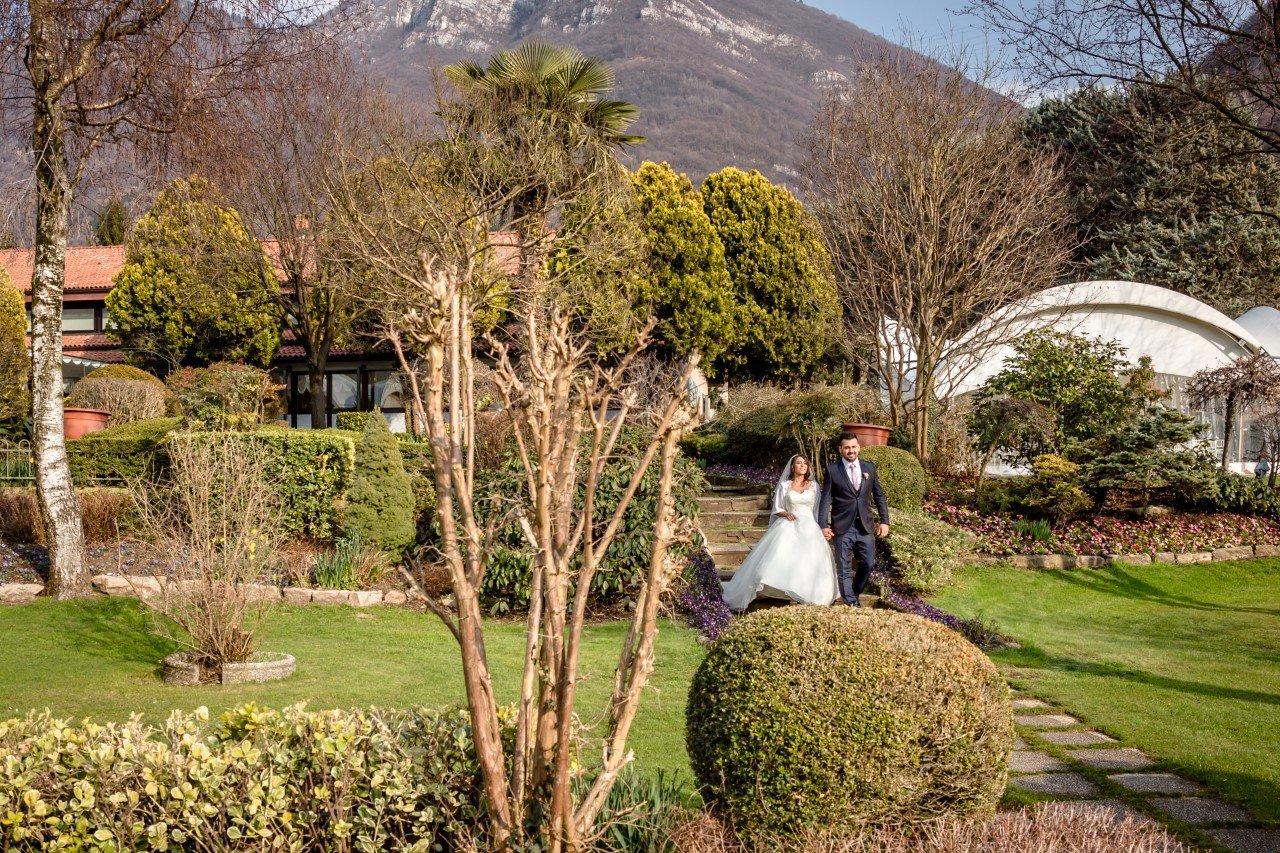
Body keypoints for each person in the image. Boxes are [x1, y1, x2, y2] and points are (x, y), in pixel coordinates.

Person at [720, 454, 837, 610]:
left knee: (809, 560)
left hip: (809, 526)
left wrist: (820, 527)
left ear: (808, 467)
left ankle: (808, 591)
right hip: (789, 523)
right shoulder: (784, 485)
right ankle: (778, 588)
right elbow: (777, 508)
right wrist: (786, 514)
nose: (802, 465)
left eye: (804, 463)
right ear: (793, 467)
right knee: (779, 557)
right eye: (798, 463)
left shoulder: (814, 486)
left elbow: (817, 510)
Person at [819, 433, 890, 607]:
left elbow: (879, 495)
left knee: (868, 563)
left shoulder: (869, 468)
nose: (850, 451)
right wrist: (823, 524)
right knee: (843, 568)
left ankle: (853, 593)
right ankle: (852, 604)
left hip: (865, 525)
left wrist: (884, 521)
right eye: (846, 447)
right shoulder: (832, 470)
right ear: (840, 449)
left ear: (858, 447)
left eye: (853, 447)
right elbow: (826, 498)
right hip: (842, 526)